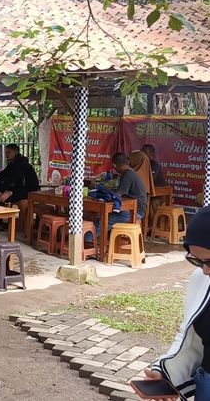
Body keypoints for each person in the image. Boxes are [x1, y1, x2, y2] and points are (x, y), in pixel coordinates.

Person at [144, 207, 210, 400]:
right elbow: (190, 337)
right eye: (197, 261)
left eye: (209, 261)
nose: (205, 270)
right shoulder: (201, 280)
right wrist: (167, 375)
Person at [96, 152, 148, 233]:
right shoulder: (131, 173)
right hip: (136, 209)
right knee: (103, 216)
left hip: (134, 211)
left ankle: (86, 239)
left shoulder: (128, 175)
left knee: (103, 220)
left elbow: (118, 194)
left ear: (114, 165)